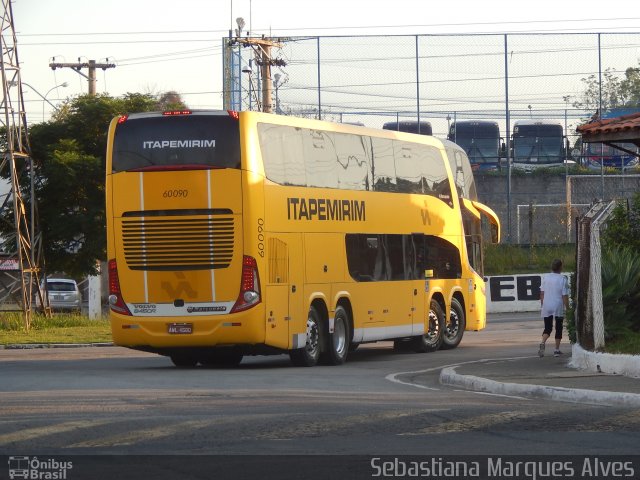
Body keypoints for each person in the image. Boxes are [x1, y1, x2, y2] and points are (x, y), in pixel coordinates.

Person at [538, 259, 569, 358]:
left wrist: (543, 304)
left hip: (547, 305)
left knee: (548, 327)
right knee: (558, 327)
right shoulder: (562, 279)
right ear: (561, 267)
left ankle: (543, 342)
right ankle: (556, 350)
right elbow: (564, 295)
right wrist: (567, 307)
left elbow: (542, 293)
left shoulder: (546, 278)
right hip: (557, 305)